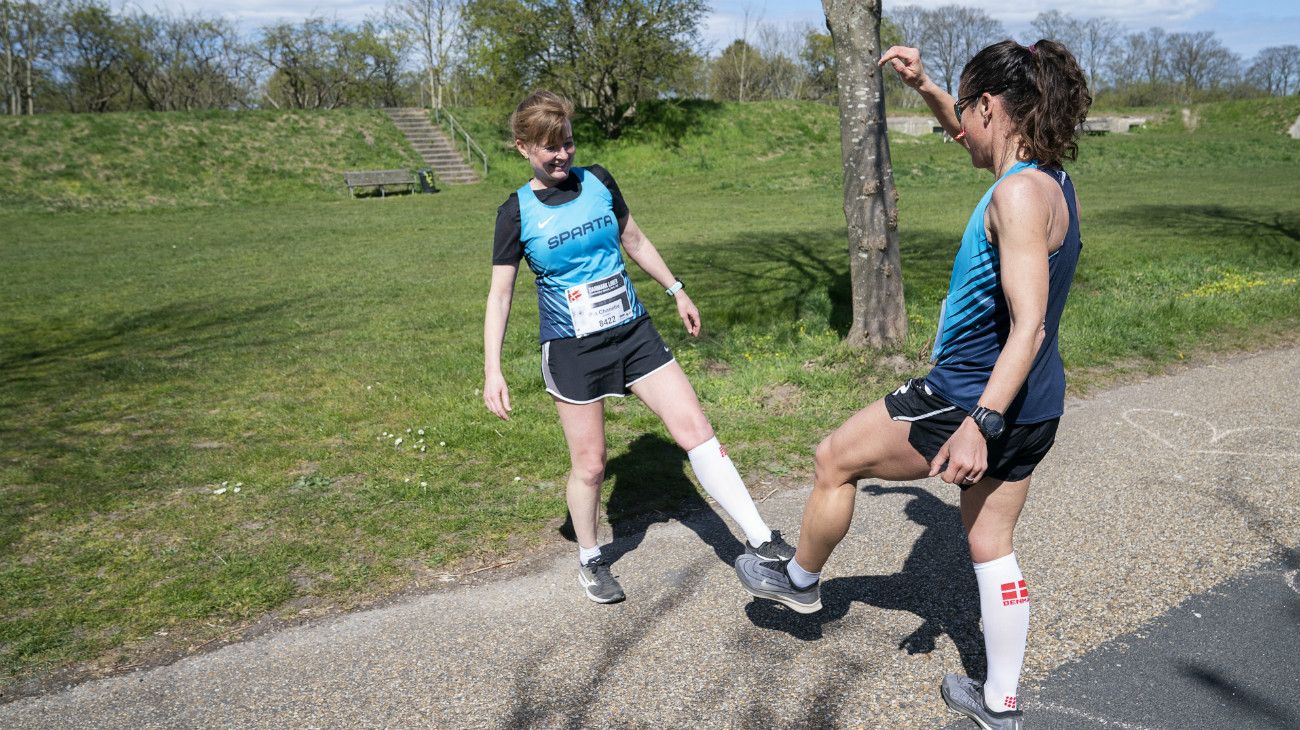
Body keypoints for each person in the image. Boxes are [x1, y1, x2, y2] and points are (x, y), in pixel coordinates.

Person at [734, 40, 1091, 729]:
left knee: (834, 456)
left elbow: (1030, 327)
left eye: (965, 108)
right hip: (1038, 402)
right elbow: (973, 143)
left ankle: (799, 582)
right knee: (990, 543)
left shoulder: (1015, 195)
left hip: (968, 397)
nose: (961, 125)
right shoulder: (1047, 180)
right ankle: (1001, 703)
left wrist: (978, 422)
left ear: (991, 105)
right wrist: (927, 86)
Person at [484, 90, 794, 605]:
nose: (562, 156)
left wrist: (677, 291)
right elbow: (500, 294)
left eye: (567, 143)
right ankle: (590, 559)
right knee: (591, 464)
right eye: (549, 148)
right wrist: (493, 369)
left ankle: (761, 538)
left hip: (632, 333)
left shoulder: (599, 181)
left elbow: (636, 240)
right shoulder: (515, 213)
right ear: (522, 148)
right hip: (572, 349)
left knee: (696, 430)